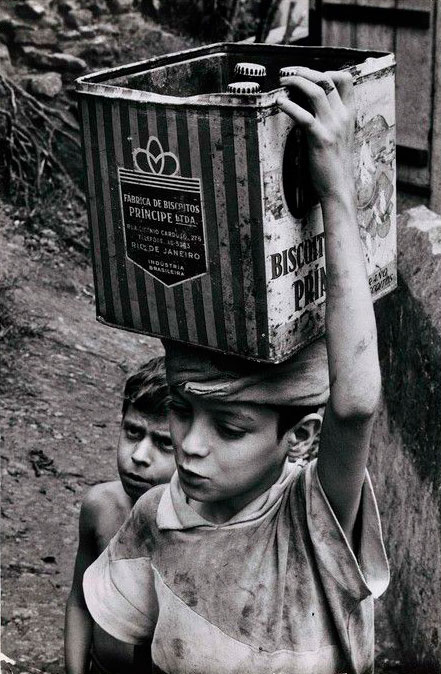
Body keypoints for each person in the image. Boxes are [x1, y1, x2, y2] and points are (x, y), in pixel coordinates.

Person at [82, 67, 389, 674]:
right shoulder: (155, 518)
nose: (188, 446)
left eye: (229, 427)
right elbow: (117, 652)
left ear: (299, 437)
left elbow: (353, 404)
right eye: (181, 409)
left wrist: (335, 189)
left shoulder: (307, 520)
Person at [64, 356, 175, 674]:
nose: (139, 456)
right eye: (132, 432)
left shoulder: (205, 528)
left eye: (164, 443)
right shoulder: (101, 506)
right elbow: (80, 602)